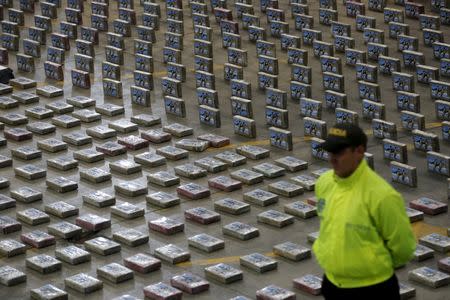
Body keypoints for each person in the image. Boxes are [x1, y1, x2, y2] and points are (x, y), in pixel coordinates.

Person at [313, 123, 416, 299]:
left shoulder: (382, 196)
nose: (332, 159)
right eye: (330, 152)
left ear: (359, 151)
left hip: (372, 289)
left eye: (339, 153)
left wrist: (372, 267)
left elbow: (403, 248)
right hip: (332, 283)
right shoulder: (324, 183)